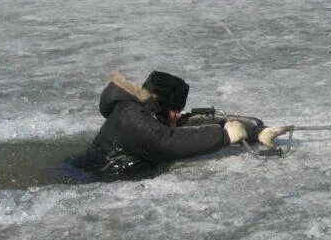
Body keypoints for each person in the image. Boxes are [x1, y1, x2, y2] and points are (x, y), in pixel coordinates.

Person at [71, 71, 289, 177]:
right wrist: (223, 136)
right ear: (160, 104)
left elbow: (189, 124)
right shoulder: (130, 116)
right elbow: (164, 142)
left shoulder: (152, 114)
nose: (178, 114)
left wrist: (256, 131)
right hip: (94, 178)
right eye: (174, 108)